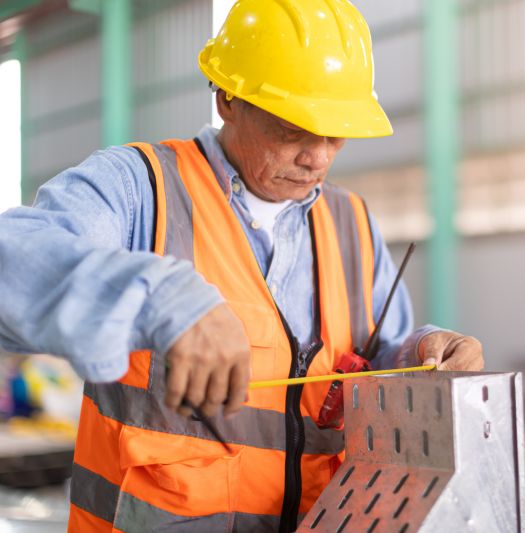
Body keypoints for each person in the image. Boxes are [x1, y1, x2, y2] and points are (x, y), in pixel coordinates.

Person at [0, 1, 483, 531]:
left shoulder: (352, 221)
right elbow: (12, 255)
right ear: (228, 99)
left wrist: (424, 352)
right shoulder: (141, 189)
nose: (318, 157)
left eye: (337, 132)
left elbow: (377, 352)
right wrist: (159, 297)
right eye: (294, 127)